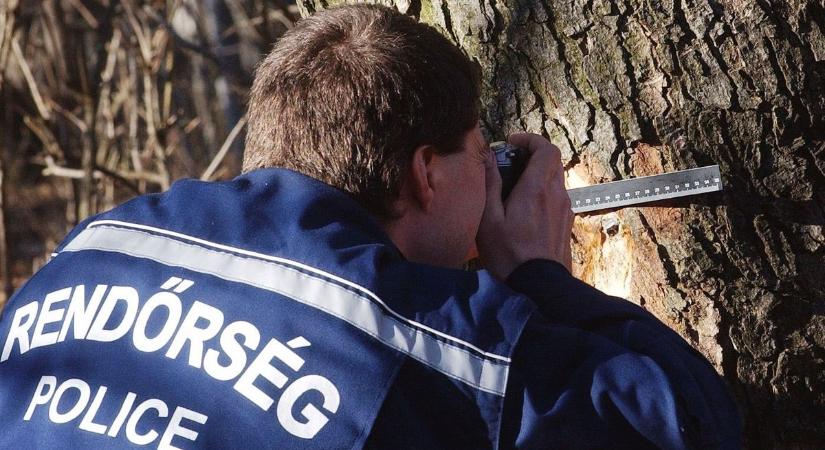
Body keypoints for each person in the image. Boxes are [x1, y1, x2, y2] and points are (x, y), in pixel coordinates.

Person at [0, 4, 740, 449]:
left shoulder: (93, 248)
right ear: (426, 173)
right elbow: (685, 424)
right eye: (483, 158)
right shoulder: (422, 342)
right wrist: (535, 276)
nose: (489, 180)